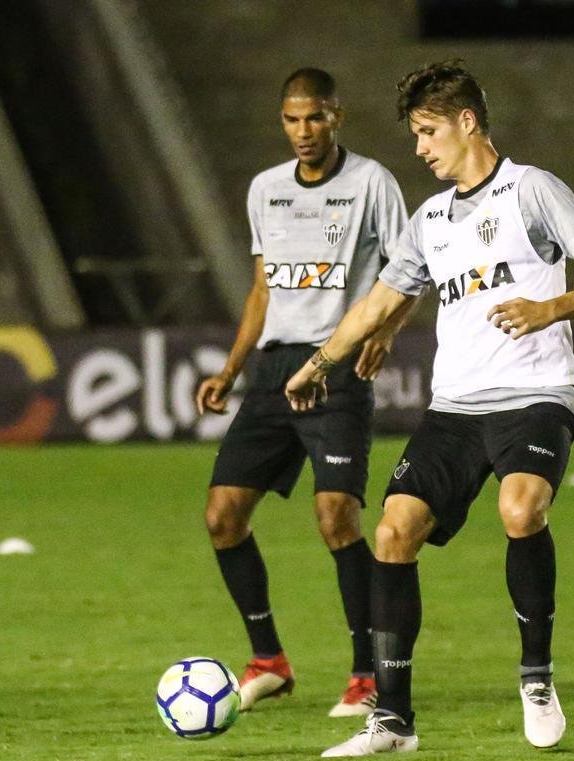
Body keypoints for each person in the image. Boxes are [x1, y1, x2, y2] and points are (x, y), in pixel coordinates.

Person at [285, 60, 574, 757]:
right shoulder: (431, 220)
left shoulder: (532, 190)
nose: (420, 149)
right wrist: (318, 363)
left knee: (521, 509)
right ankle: (393, 721)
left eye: (428, 132)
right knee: (392, 532)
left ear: (467, 122)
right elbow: (380, 303)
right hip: (455, 409)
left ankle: (536, 680)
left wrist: (551, 307)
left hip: (536, 396)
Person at [196, 67, 412, 717]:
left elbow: (412, 266)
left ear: (336, 117)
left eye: (314, 117)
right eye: (291, 119)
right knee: (221, 516)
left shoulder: (371, 183)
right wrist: (230, 371)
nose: (302, 131)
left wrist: (389, 331)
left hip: (337, 366)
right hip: (271, 371)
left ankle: (367, 674)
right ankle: (269, 660)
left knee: (336, 518)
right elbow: (264, 290)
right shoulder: (265, 190)